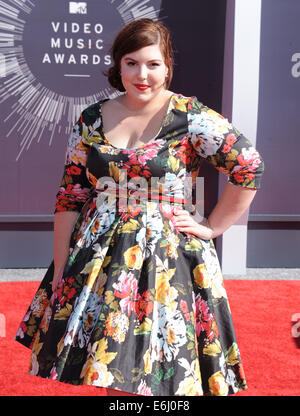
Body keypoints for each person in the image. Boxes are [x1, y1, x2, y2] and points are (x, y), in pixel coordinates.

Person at [15, 18, 264, 396]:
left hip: (167, 260)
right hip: (99, 255)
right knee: (108, 368)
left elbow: (248, 165)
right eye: (131, 63)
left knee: (161, 373)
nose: (142, 74)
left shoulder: (190, 117)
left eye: (153, 64)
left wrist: (213, 226)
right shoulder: (92, 118)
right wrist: (62, 262)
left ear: (167, 67)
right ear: (118, 65)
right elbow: (71, 193)